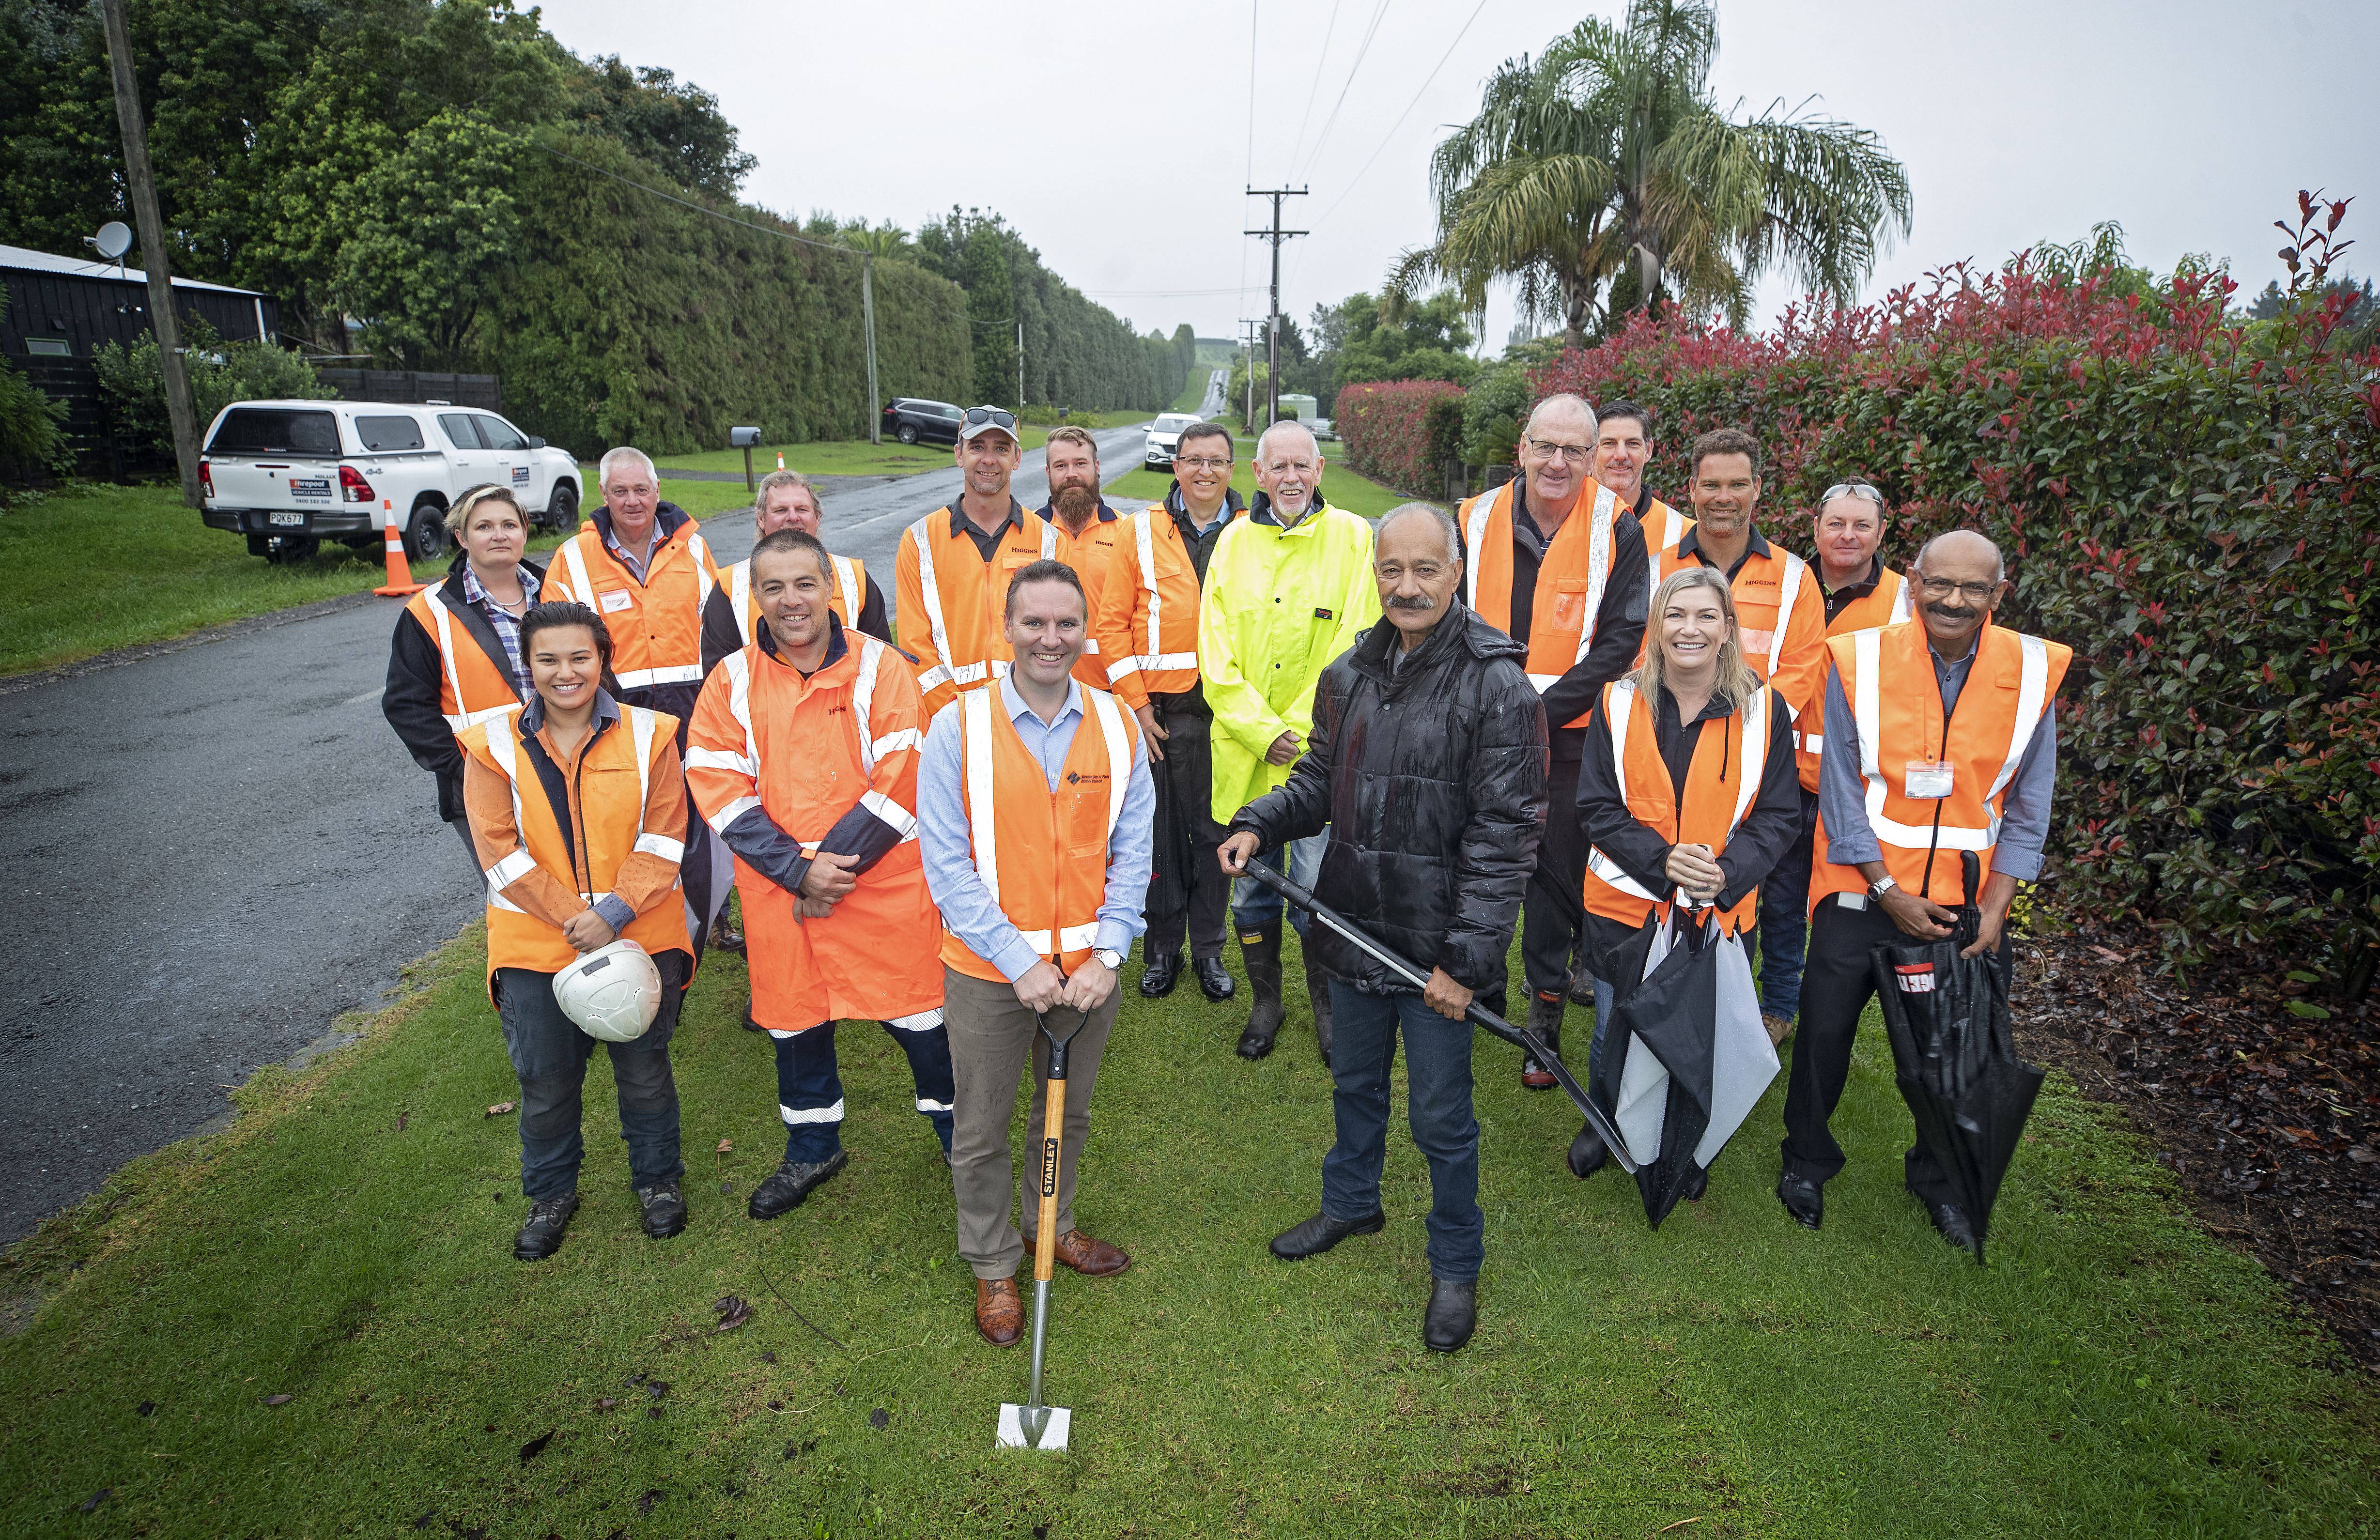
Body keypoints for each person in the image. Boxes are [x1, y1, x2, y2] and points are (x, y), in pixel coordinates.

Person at [1221, 505, 1547, 1354]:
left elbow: (1505, 838)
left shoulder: (1498, 686)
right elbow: (1320, 780)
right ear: (1374, 573)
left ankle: (1454, 1262)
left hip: (1434, 955)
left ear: (1455, 571)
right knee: (1353, 1087)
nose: (1406, 587)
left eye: (1424, 570)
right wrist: (1259, 820)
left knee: (1441, 1118)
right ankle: (1350, 1204)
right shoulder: (1350, 673)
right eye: (1391, 570)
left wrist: (1466, 963)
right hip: (1352, 926)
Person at [1780, 529, 2069, 1247]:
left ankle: (1937, 1179)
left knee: (1956, 1052)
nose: (1954, 600)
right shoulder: (1859, 658)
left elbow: (2030, 803)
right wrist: (1884, 890)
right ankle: (1805, 1162)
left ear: (1999, 595)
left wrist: (1999, 904)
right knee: (1822, 1037)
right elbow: (1842, 793)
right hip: (1858, 894)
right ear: (1913, 582)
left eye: (1974, 589)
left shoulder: (2031, 671)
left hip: (1964, 906)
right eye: (1939, 583)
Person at [917, 558, 1154, 1348]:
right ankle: (991, 1263)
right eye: (1034, 623)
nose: (1050, 638)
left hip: (1087, 978)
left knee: (1067, 1115)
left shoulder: (1117, 725)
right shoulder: (956, 726)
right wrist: (1018, 961)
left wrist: (1108, 954)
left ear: (1083, 629)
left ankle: (1048, 1226)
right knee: (981, 1126)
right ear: (1006, 628)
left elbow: (1132, 852)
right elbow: (947, 867)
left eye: (1065, 623)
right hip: (989, 974)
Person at [686, 530, 955, 1216]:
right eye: (772, 587)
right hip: (783, 895)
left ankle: (963, 1140)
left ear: (830, 589)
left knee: (924, 1021)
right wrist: (795, 872)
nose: (790, 600)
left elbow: (905, 773)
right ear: (754, 597)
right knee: (795, 1025)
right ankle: (812, 1149)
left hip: (882, 884)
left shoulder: (881, 666)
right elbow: (716, 782)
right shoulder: (732, 678)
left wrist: (828, 869)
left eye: (803, 583)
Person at [456, 602, 694, 1260]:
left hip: (639, 933)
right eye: (549, 660)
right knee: (547, 1081)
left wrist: (612, 913)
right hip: (535, 944)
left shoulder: (651, 735)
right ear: (527, 666)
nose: (566, 673)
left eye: (580, 657)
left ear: (602, 658)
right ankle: (551, 1194)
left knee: (644, 1071)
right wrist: (574, 918)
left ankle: (658, 1182)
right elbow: (498, 850)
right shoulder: (491, 743)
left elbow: (667, 834)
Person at [1567, 568, 1803, 1179]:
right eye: (1675, 615)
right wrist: (1660, 862)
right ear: (1657, 626)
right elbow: (1595, 806)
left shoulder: (1766, 710)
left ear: (1728, 628)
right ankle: (1606, 1121)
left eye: (1705, 616)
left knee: (1699, 1033)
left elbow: (1779, 816)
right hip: (1626, 908)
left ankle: (1686, 1139)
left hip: (1719, 913)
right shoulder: (1618, 701)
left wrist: (1727, 872)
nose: (1689, 629)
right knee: (1615, 1023)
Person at [1454, 395, 1649, 1091]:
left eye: (1575, 451)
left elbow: (1624, 641)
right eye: (1546, 447)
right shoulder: (1470, 519)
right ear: (1522, 450)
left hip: (1568, 743)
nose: (1558, 463)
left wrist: (1535, 712)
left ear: (1595, 458)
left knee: (1552, 880)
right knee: (1469, 862)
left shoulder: (1618, 528)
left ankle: (1543, 1017)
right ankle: (1472, 987)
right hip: (1472, 734)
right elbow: (1445, 620)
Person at [1199, 419, 1379, 1062]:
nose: (1290, 478)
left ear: (1320, 469)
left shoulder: (1355, 539)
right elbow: (1213, 657)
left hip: (1315, 763)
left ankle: (1327, 1011)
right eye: (1277, 467)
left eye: (1301, 465)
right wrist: (1263, 730)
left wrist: (1300, 734)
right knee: (1250, 887)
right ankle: (1265, 1002)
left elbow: (1356, 645)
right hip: (1247, 761)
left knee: (1315, 890)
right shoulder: (1230, 543)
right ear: (1258, 474)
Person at [1651, 428, 1827, 1045]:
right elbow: (1639, 656)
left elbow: (1803, 667)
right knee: (1675, 873)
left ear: (1758, 490)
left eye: (1737, 484)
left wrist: (1749, 735)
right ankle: (1671, 990)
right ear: (1692, 489)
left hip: (1761, 758)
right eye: (1711, 485)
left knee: (1774, 890)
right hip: (1670, 750)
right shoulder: (1658, 567)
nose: (1723, 497)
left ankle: (1771, 1009)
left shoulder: (1795, 576)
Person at [543, 446, 734, 954]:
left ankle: (714, 915)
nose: (633, 501)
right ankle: (635, 913)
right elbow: (556, 640)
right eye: (621, 491)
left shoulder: (693, 548)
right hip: (619, 708)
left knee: (705, 815)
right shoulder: (573, 558)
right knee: (635, 818)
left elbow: (717, 627)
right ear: (603, 495)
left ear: (656, 492)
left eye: (642, 490)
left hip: (694, 703)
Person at [1092, 419, 1246, 1004]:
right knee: (1156, 839)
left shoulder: (1249, 530)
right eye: (1193, 460)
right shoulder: (1138, 532)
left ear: (1231, 470)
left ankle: (1208, 949)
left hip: (1227, 716)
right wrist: (1135, 705)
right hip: (1159, 715)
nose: (1204, 470)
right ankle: (1163, 949)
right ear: (1175, 467)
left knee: (1216, 836)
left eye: (1216, 460)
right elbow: (1110, 625)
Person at [384, 484, 548, 886]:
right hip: (482, 788)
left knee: (579, 892)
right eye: (484, 526)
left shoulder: (559, 592)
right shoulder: (430, 612)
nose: (499, 535)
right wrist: (464, 771)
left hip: (567, 774)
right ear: (461, 537)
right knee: (516, 900)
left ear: (524, 531)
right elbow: (407, 706)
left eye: (510, 524)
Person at [897, 406, 1061, 718]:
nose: (989, 459)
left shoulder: (1050, 541)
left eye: (1001, 448)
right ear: (959, 455)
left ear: (1017, 458)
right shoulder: (919, 540)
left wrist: (1020, 712)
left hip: (1028, 717)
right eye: (977, 447)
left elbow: (1057, 639)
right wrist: (956, 716)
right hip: (946, 722)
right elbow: (914, 645)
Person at [702, 469, 891, 675]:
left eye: (802, 509)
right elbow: (720, 679)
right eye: (780, 510)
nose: (792, 517)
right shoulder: (730, 585)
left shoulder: (855, 578)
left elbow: (883, 663)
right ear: (761, 519)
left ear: (817, 517)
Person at [1038, 425, 1127, 692]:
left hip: (1111, 690)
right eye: (1061, 465)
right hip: (1041, 689)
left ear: (1097, 467)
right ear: (1048, 473)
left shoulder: (1128, 532)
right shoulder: (1027, 533)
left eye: (1080, 463)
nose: (1072, 474)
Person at [1591, 399, 1690, 554]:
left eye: (1632, 443)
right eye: (1609, 443)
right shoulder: (1561, 520)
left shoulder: (1683, 533)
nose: (1621, 455)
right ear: (1592, 451)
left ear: (1649, 450)